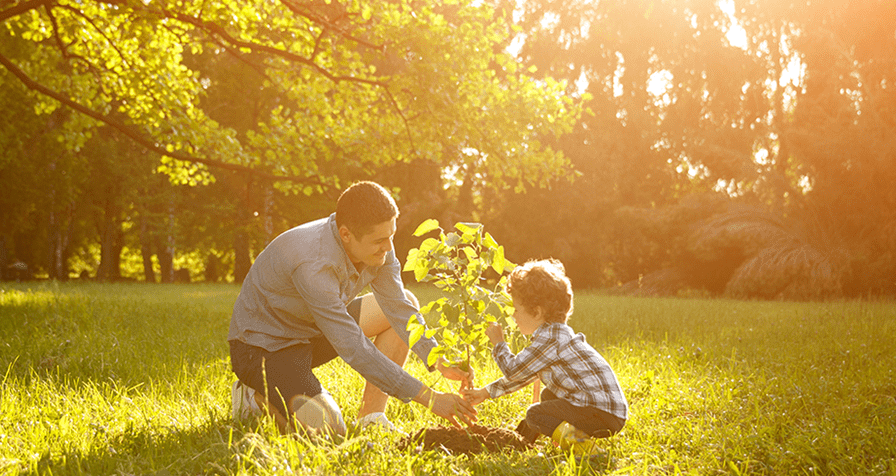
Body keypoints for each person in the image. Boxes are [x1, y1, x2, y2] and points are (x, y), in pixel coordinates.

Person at [227, 181, 476, 435]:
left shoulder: (379, 249)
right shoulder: (313, 264)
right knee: (330, 430)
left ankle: (371, 416)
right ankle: (253, 398)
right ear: (346, 234)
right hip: (264, 349)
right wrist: (430, 398)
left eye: (391, 235)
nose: (389, 248)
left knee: (409, 301)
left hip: (311, 331)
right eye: (380, 240)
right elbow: (354, 348)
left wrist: (439, 360)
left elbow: (399, 308)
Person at [462, 259, 628, 452]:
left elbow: (513, 371)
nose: (513, 316)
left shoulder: (550, 339)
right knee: (548, 395)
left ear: (537, 312)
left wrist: (499, 344)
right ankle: (524, 441)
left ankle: (586, 449)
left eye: (516, 310)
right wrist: (485, 393)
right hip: (606, 412)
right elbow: (524, 375)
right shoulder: (555, 335)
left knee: (535, 414)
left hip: (601, 413)